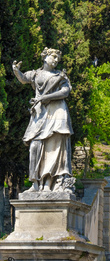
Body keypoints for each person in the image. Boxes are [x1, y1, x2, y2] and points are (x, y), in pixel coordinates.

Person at [12, 48, 74, 192]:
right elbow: (23, 79)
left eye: (58, 58)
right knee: (35, 146)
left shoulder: (60, 75)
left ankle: (48, 182)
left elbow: (65, 92)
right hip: (40, 114)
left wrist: (46, 97)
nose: (56, 60)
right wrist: (16, 70)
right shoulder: (36, 74)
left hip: (57, 112)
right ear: (45, 57)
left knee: (53, 147)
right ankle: (35, 183)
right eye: (53, 57)